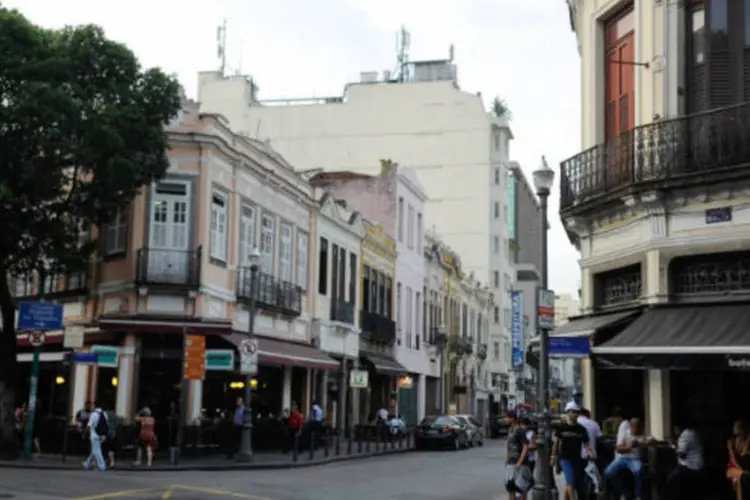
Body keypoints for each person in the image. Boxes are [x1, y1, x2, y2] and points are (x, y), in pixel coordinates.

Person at [552, 402, 593, 500]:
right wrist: (553, 456)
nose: (576, 414)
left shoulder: (581, 429)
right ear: (568, 412)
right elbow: (556, 443)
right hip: (564, 459)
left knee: (570, 482)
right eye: (573, 412)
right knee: (571, 481)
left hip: (577, 459)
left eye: (577, 412)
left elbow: (586, 444)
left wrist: (589, 452)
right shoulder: (562, 427)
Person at [605, 417, 649, 500]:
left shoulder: (643, 435)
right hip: (623, 458)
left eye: (637, 426)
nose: (635, 429)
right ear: (631, 426)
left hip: (635, 459)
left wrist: (642, 442)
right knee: (608, 472)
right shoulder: (626, 434)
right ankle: (624, 492)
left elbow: (653, 441)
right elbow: (618, 448)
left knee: (638, 471)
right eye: (633, 426)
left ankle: (638, 495)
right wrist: (630, 447)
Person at [665, 419, 703, 500]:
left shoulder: (686, 434)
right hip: (693, 464)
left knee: (670, 478)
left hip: (691, 466)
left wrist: (672, 445)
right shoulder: (692, 432)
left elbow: (681, 454)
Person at [504, 410, 533, 499]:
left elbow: (525, 447)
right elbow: (509, 447)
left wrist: (520, 462)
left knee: (521, 489)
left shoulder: (520, 431)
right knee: (510, 487)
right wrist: (507, 459)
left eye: (506, 417)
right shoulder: (510, 430)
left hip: (520, 464)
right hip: (511, 463)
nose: (504, 419)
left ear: (512, 419)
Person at [727, 420, 750, 500]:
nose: (738, 436)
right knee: (740, 476)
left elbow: (745, 455)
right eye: (736, 434)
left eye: (739, 434)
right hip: (732, 467)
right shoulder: (731, 441)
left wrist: (746, 442)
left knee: (743, 478)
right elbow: (733, 459)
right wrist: (742, 470)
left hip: (745, 467)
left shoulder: (747, 441)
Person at [82, 403, 108, 471]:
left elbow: (89, 425)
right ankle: (87, 464)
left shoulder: (94, 414)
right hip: (102, 434)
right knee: (94, 450)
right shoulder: (104, 414)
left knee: (97, 451)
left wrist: (84, 433)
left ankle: (102, 466)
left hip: (94, 434)